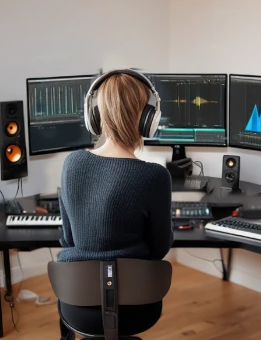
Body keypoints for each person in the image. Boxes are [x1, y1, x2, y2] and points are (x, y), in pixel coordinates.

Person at [57, 70, 173, 339]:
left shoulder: (72, 164)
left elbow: (68, 239)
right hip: (137, 308)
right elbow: (159, 249)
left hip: (78, 307)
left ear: (95, 116)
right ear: (148, 120)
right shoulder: (155, 176)